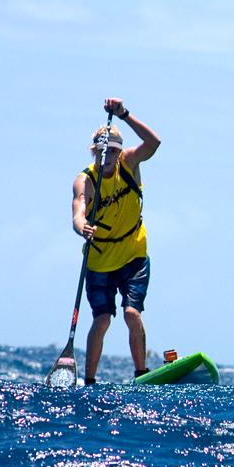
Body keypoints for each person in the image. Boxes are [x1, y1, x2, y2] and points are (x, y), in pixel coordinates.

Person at [72, 97, 161, 384]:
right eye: (101, 150)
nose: (106, 155)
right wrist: (82, 226)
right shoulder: (85, 180)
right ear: (93, 151)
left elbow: (154, 143)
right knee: (102, 319)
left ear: (118, 151)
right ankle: (90, 382)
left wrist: (123, 114)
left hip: (133, 251)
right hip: (99, 259)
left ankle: (140, 375)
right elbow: (78, 211)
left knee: (132, 313)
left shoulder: (129, 163)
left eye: (111, 150)